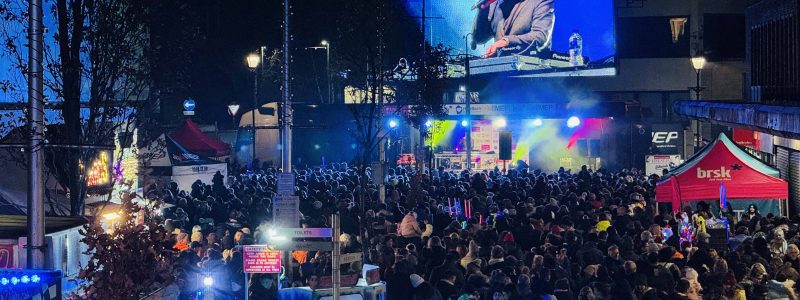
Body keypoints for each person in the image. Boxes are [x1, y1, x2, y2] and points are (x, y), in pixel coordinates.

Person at [471, 0, 555, 57]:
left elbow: (540, 36)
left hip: (530, 74)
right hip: (499, 75)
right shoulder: (495, 3)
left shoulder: (540, 2)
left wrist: (506, 41)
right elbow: (478, 39)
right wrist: (483, 9)